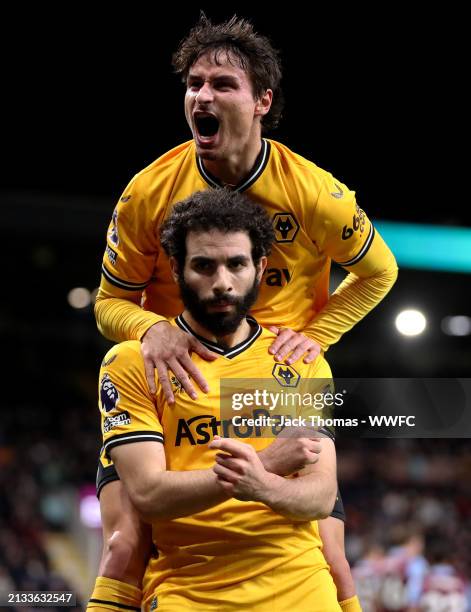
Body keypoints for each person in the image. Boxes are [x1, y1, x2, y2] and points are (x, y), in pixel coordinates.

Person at [94, 13, 398, 610]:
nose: (201, 95)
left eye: (221, 84)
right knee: (124, 544)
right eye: (193, 83)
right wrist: (151, 328)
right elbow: (109, 301)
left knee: (334, 560)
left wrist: (315, 337)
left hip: (269, 379)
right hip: (173, 380)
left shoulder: (314, 193)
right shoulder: (146, 193)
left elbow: (379, 272)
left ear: (262, 101)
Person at [89, 190, 342, 611]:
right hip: (189, 594)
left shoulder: (301, 363)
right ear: (176, 269)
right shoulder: (131, 361)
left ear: (260, 267)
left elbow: (319, 496)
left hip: (301, 592)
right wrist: (266, 466)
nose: (222, 282)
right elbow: (150, 495)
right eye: (204, 266)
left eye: (237, 264)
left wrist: (258, 480)